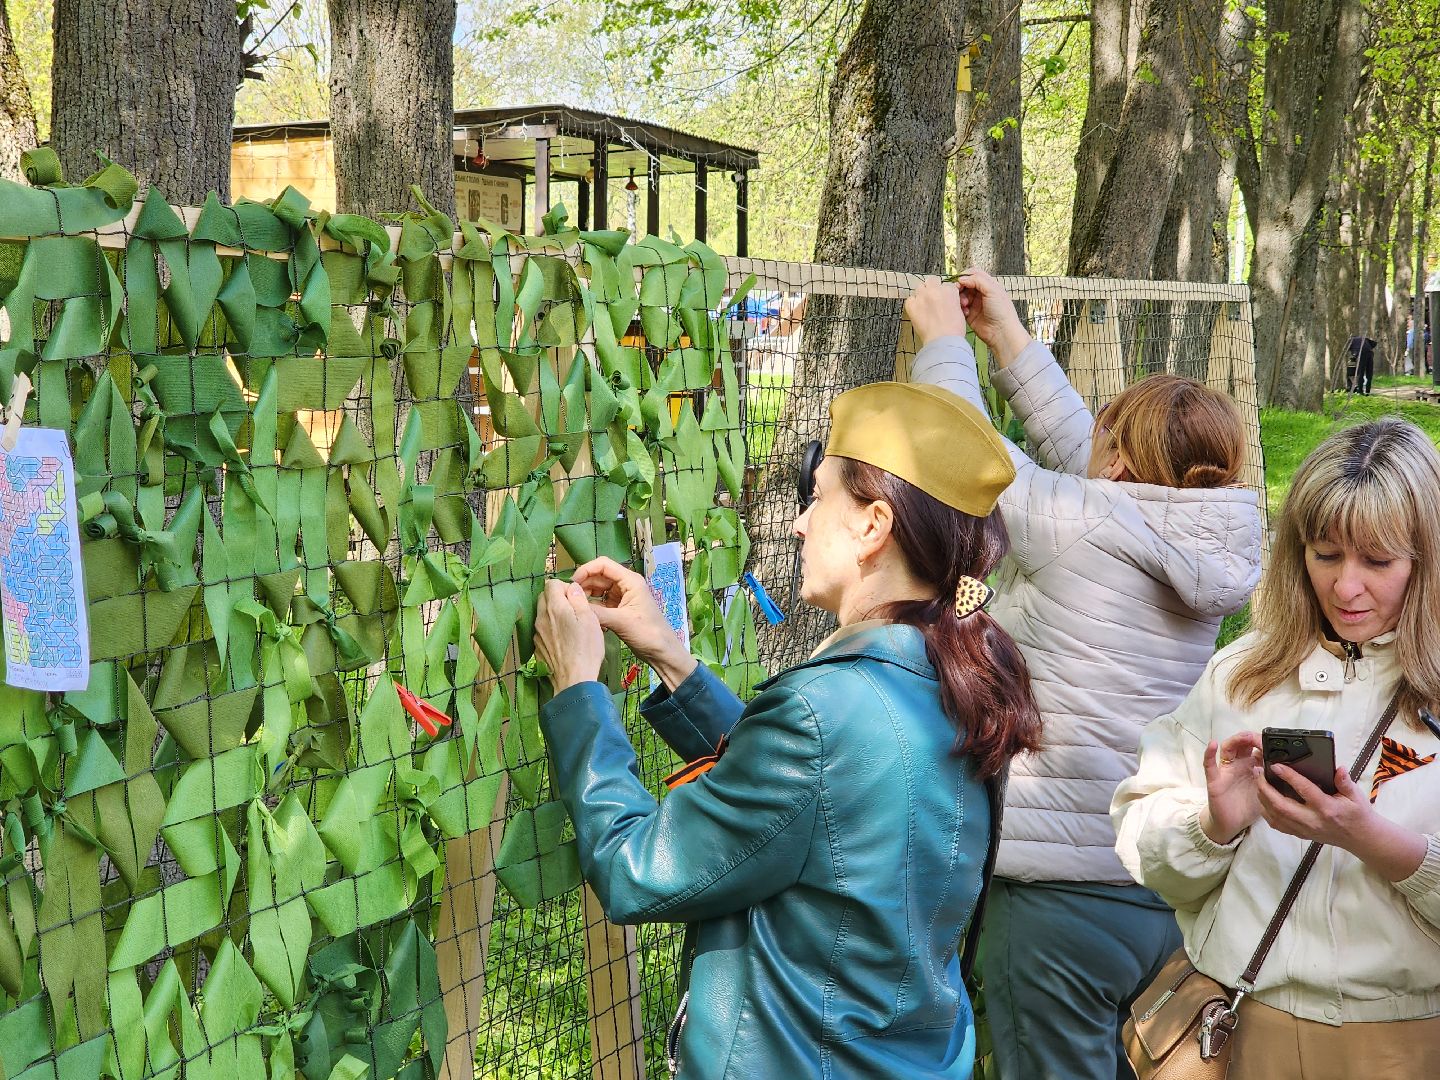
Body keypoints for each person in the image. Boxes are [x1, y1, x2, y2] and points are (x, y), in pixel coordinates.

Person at [531, 380, 1043, 1079]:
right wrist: (672, 659)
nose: (800, 523)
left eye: (819, 498)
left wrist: (579, 691)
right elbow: (819, 805)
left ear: (873, 526)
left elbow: (634, 872)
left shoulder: (823, 715)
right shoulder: (955, 679)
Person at [904, 271, 1262, 1080]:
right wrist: (1010, 339)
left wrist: (946, 345)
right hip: (1162, 886)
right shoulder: (1202, 535)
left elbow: (971, 456)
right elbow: (1092, 472)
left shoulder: (1091, 523)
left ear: (1124, 469)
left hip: (1055, 904)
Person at [1112, 417, 1440, 1078]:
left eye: (1378, 561)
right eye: (1325, 554)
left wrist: (1373, 840)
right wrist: (1212, 826)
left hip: (1404, 1043)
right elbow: (1143, 850)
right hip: (1239, 1028)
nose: (1347, 588)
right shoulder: (1240, 673)